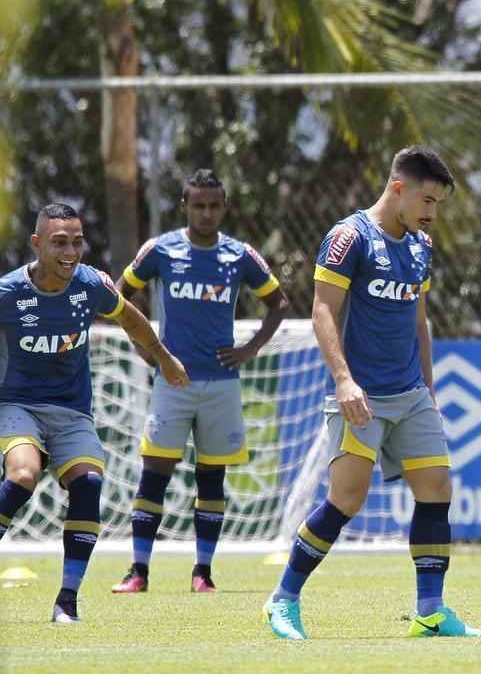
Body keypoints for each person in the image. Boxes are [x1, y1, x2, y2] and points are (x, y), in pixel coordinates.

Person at [262, 146, 481, 641]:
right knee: (346, 500)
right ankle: (282, 600)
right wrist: (343, 381)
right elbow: (322, 312)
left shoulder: (421, 245)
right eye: (427, 199)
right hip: (361, 395)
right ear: (399, 188)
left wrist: (428, 386)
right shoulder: (348, 238)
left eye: (438, 203)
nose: (432, 212)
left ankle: (430, 610)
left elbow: (419, 320)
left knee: (436, 491)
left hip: (411, 396)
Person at [0, 203, 189, 622]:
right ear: (36, 244)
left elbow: (132, 319)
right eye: (59, 242)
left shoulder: (90, 286)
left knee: (88, 482)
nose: (70, 251)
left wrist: (164, 358)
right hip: (18, 407)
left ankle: (67, 602)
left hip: (71, 413)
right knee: (23, 474)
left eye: (77, 242)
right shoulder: (9, 293)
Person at [111, 169, 289, 595]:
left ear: (223, 207)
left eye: (214, 205)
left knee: (211, 478)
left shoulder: (240, 255)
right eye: (198, 205)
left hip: (221, 383)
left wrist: (250, 349)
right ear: (184, 205)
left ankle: (203, 572)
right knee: (155, 472)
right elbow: (119, 297)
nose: (206, 213)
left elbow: (278, 303)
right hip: (172, 381)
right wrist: (147, 350)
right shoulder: (161, 250)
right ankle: (138, 571)